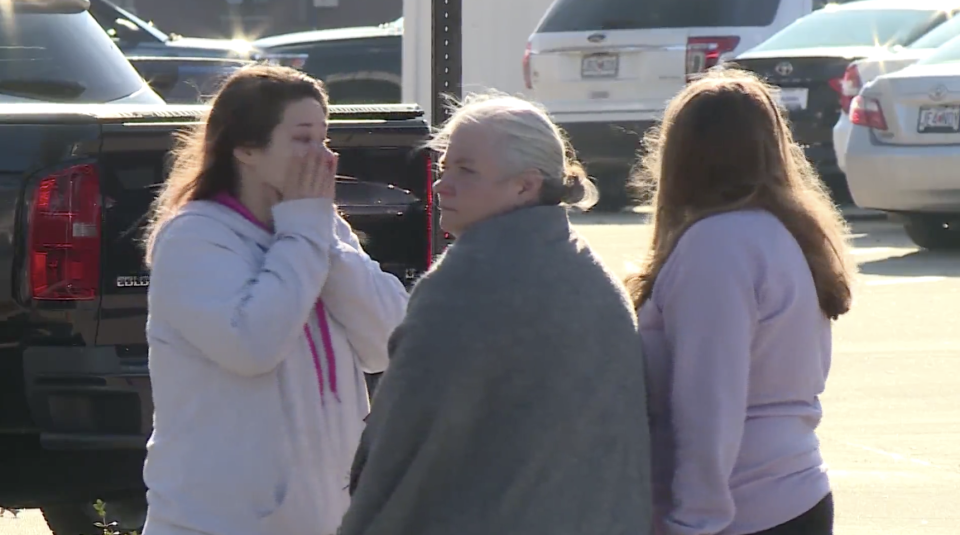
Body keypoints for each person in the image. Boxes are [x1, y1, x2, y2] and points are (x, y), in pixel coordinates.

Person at [339, 93, 653, 535]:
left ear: (525, 185)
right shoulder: (591, 277)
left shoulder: (468, 283)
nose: (440, 185)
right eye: (444, 167)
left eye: (465, 170)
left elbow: (398, 445)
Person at [140, 65, 409, 535]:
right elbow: (252, 347)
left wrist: (318, 233)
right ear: (245, 149)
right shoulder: (194, 238)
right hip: (214, 523)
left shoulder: (321, 229)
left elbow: (388, 340)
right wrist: (305, 231)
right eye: (303, 139)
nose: (323, 157)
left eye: (325, 139)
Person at [626, 68, 857, 535]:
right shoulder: (780, 232)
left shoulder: (717, 245)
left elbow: (709, 401)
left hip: (742, 509)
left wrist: (693, 522)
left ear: (680, 154)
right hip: (787, 495)